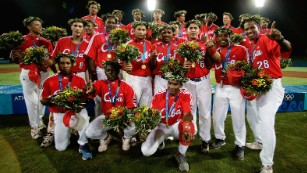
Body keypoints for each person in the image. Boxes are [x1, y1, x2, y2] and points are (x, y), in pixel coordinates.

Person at [241, 15, 292, 173]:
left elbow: (285, 49)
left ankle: (267, 164)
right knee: (252, 115)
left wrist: (281, 38)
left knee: (266, 124)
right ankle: (259, 142)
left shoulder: (266, 39)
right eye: (246, 29)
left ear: (259, 27)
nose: (249, 31)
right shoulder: (253, 45)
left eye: (252, 28)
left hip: (272, 86)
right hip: (261, 86)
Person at [141, 59, 194, 172]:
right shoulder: (158, 95)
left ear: (180, 85)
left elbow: (187, 114)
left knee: (190, 127)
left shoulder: (185, 95)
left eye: (175, 84)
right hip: (161, 126)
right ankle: (161, 140)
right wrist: (146, 131)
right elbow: (151, 117)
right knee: (146, 151)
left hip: (176, 125)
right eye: (169, 83)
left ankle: (180, 154)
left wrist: (187, 127)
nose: (171, 86)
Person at [41, 53, 92, 160]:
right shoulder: (49, 80)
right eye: (62, 63)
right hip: (60, 114)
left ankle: (83, 144)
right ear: (58, 65)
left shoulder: (80, 79)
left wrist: (79, 106)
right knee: (60, 147)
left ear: (73, 64)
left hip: (75, 112)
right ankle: (68, 132)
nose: (65, 65)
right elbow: (43, 100)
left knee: (84, 116)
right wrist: (50, 101)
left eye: (68, 63)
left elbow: (85, 99)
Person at [180, 19, 221, 153]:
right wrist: (182, 66)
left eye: (195, 28)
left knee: (204, 112)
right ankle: (191, 133)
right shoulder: (182, 45)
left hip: (204, 81)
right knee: (189, 112)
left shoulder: (205, 44)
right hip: (187, 82)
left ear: (199, 30)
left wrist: (211, 47)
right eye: (190, 28)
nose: (192, 30)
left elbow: (217, 59)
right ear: (186, 30)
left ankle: (205, 140)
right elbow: (176, 65)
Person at [10, 16, 54, 140]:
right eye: (36, 25)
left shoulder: (46, 42)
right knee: (32, 103)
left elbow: (51, 59)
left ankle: (39, 121)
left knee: (42, 100)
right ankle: (34, 127)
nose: (40, 27)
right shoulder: (22, 40)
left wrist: (48, 62)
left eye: (40, 25)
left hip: (43, 73)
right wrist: (14, 54)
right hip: (28, 73)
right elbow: (15, 59)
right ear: (29, 26)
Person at [211, 27, 248, 160]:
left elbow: (247, 67)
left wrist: (235, 75)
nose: (222, 38)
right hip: (220, 87)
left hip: (236, 88)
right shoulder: (215, 51)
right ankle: (220, 138)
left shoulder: (241, 49)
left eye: (225, 35)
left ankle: (240, 145)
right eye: (219, 36)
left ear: (230, 36)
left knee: (238, 117)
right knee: (218, 116)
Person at [85, 60, 137, 152]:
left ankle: (126, 137)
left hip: (123, 116)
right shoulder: (100, 83)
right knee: (89, 132)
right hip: (107, 116)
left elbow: (131, 107)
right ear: (105, 71)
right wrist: (92, 90)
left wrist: (123, 115)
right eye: (108, 70)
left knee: (136, 125)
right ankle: (106, 138)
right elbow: (93, 90)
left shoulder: (127, 86)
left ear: (118, 71)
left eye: (113, 70)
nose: (111, 72)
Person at [125, 21, 153, 107]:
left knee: (146, 105)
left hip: (147, 78)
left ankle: (144, 121)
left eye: (143, 30)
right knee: (133, 104)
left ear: (146, 31)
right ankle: (132, 121)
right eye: (139, 29)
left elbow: (151, 62)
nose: (141, 32)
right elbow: (121, 60)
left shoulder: (149, 44)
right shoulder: (128, 44)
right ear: (134, 31)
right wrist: (126, 65)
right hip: (134, 77)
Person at [150, 25, 178, 94]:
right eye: (164, 32)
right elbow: (151, 66)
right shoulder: (154, 46)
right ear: (160, 34)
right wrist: (152, 58)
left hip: (172, 80)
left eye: (169, 32)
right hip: (159, 78)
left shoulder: (177, 48)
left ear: (173, 34)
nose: (166, 34)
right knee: (159, 101)